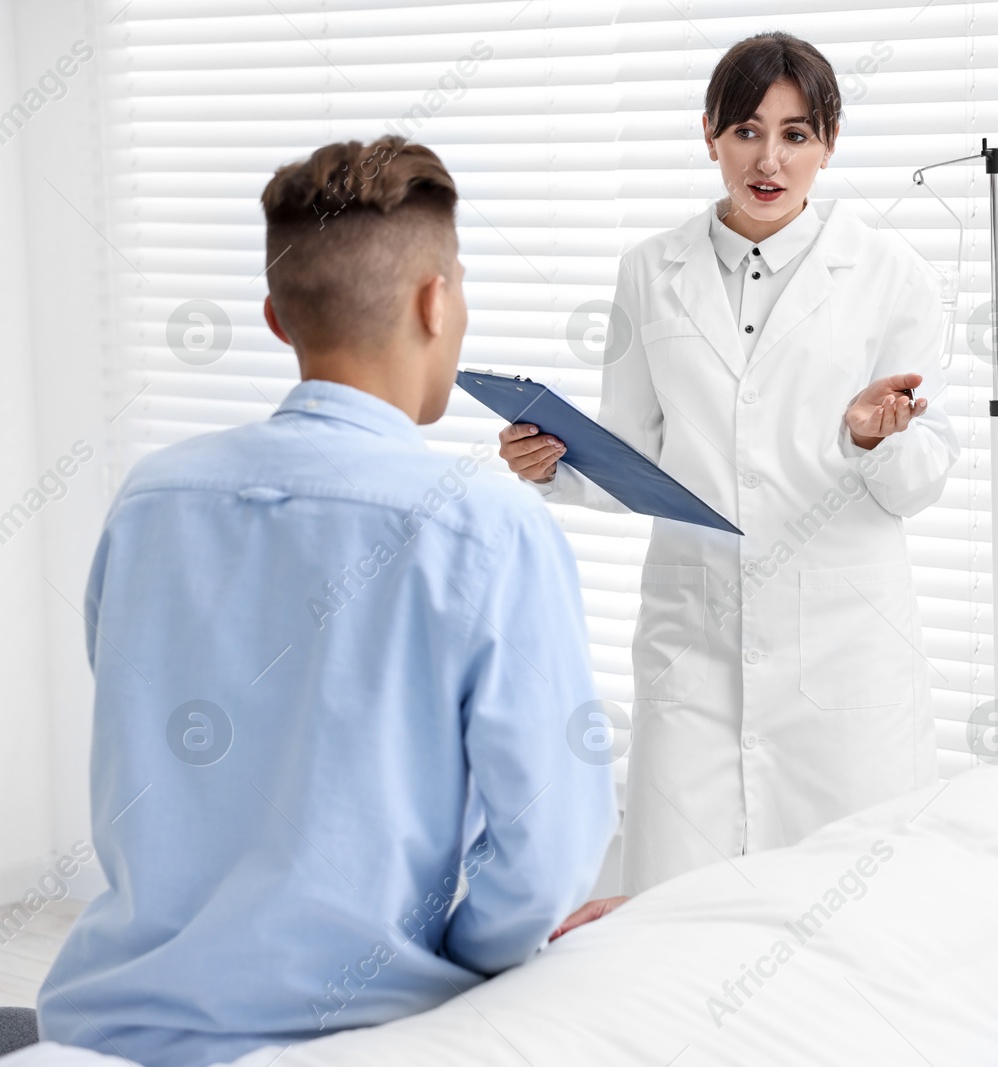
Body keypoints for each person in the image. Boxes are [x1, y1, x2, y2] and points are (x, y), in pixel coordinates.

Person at [36, 137, 616, 1067]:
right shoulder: (488, 528)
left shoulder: (150, 500)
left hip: (111, 1024)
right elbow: (549, 859)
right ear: (437, 301)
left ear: (275, 317)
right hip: (373, 1030)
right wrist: (448, 967)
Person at [499, 32, 961, 911]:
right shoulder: (649, 270)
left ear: (829, 143)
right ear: (709, 132)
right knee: (676, 915)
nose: (770, 159)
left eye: (796, 134)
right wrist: (551, 464)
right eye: (748, 130)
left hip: (843, 651)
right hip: (695, 644)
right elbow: (631, 451)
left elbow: (921, 480)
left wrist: (873, 440)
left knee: (848, 916)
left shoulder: (893, 276)